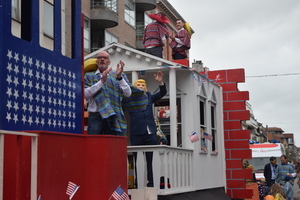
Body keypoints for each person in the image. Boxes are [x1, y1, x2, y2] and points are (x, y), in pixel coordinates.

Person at [129, 71, 167, 187]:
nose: (140, 87)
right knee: (137, 160)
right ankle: (138, 182)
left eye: (142, 85)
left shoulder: (149, 96)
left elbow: (163, 93)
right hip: (137, 132)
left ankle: (151, 182)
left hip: (150, 132)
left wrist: (160, 83)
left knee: (150, 159)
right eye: (138, 85)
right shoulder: (130, 99)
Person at [84, 51, 132, 135]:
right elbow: (85, 95)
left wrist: (119, 78)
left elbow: (128, 94)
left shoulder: (119, 75)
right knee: (93, 144)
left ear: (109, 62)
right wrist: (101, 82)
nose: (102, 59)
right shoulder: (89, 76)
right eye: (99, 57)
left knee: (112, 144)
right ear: (96, 61)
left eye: (105, 58)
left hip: (114, 114)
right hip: (96, 115)